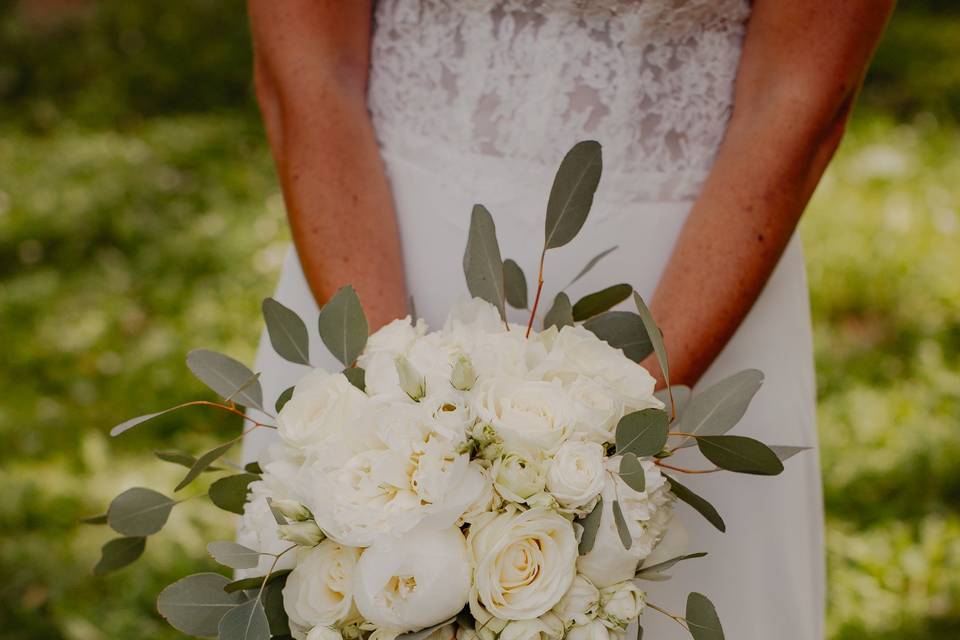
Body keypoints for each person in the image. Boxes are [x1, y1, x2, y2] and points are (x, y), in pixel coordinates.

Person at [245, 2, 893, 637]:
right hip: (369, 246)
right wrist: (392, 416)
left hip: (698, 284)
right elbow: (306, 67)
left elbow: (798, 93)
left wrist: (613, 448)